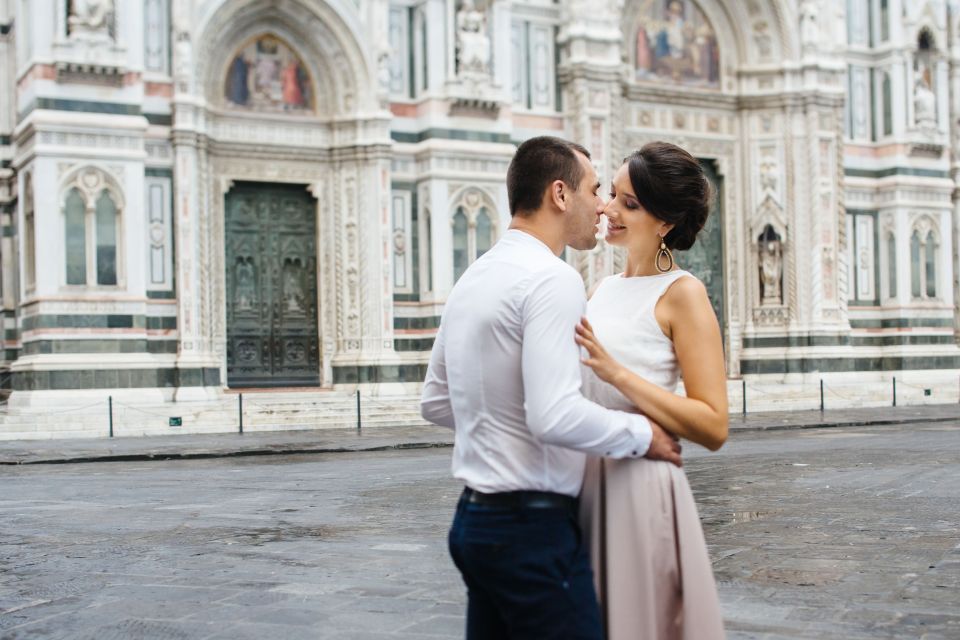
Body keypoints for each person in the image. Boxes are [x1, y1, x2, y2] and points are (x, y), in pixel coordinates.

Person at [420, 136, 682, 640]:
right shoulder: (552, 278)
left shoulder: (474, 276)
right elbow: (554, 416)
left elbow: (435, 400)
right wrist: (643, 435)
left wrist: (503, 425)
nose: (600, 205)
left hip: (473, 523)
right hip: (530, 530)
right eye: (594, 189)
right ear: (560, 195)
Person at [574, 141, 728, 640]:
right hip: (583, 480)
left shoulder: (683, 294)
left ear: (664, 223)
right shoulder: (600, 289)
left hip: (640, 486)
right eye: (613, 194)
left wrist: (619, 375)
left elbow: (713, 424)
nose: (609, 210)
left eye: (630, 204)